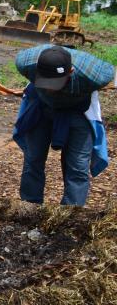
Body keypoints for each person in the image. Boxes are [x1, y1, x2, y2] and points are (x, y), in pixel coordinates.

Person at [13, 45, 114, 206]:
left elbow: (111, 74)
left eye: (54, 83)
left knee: (78, 166)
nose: (49, 87)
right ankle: (29, 208)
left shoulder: (95, 75)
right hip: (41, 107)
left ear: (71, 73)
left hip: (78, 111)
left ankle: (70, 214)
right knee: (33, 158)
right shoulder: (25, 63)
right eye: (45, 81)